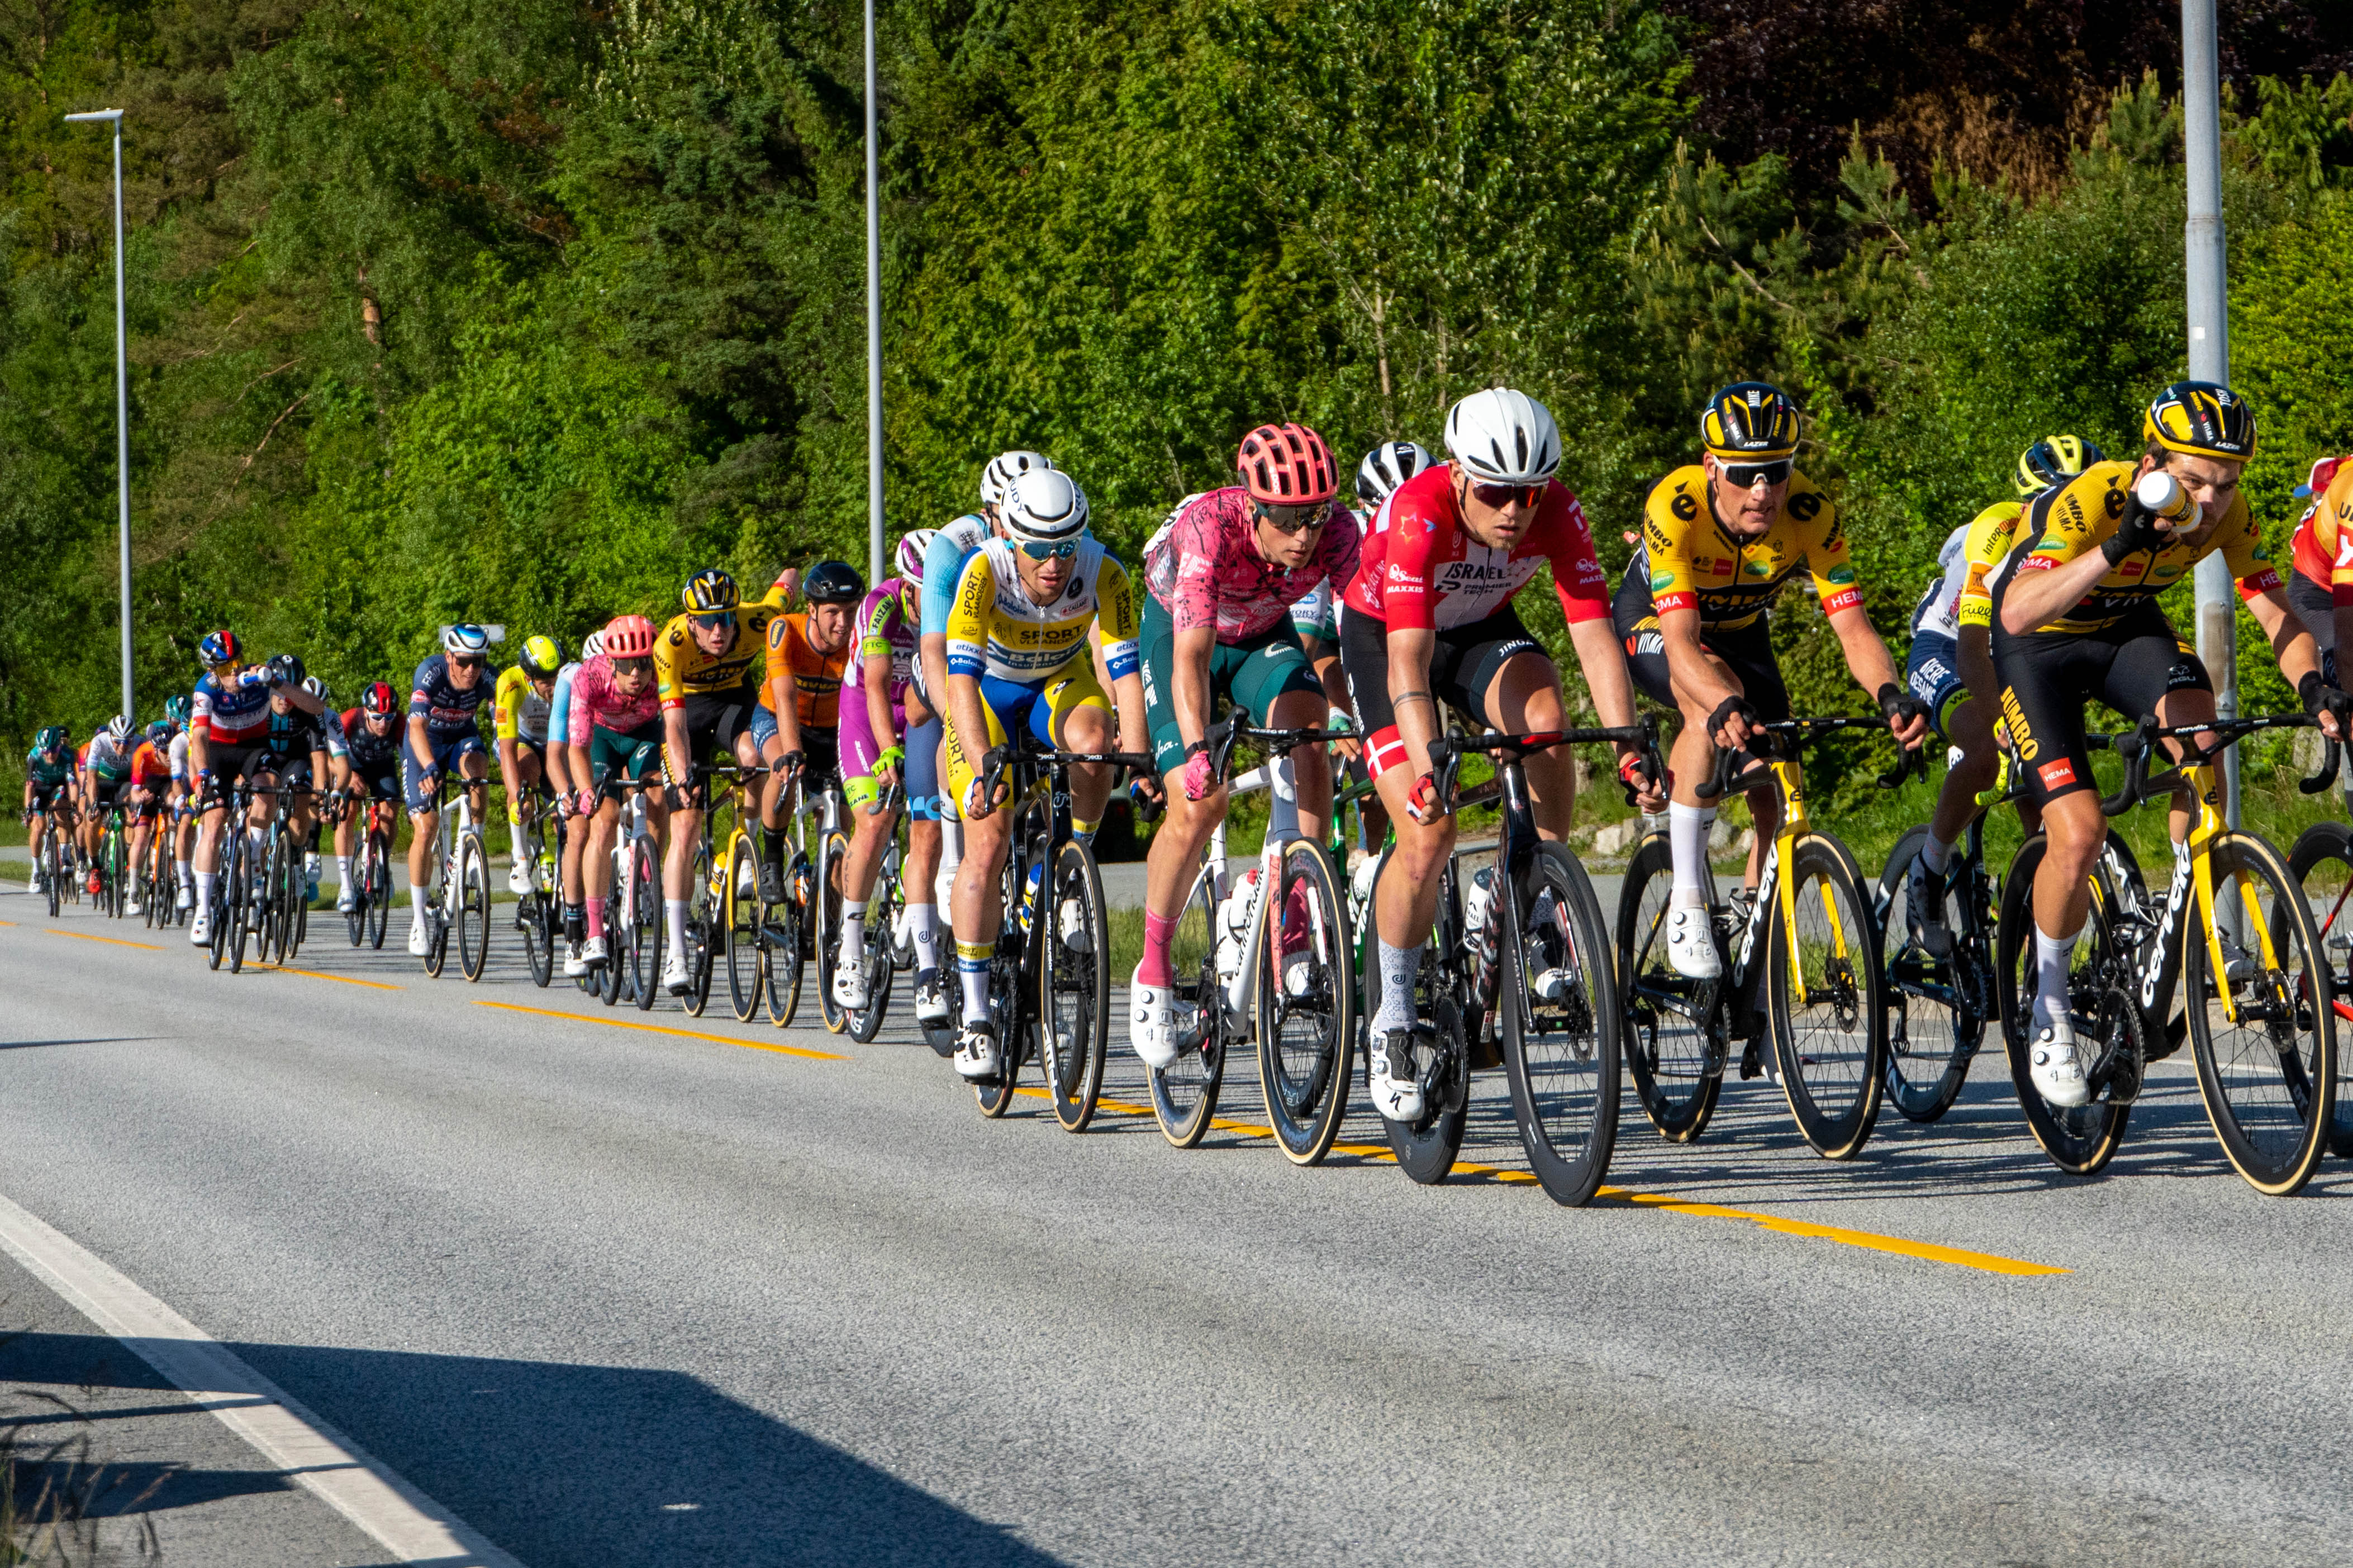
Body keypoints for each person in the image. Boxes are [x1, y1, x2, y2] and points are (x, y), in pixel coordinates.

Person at [1990, 381, 2346, 1105]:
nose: (2210, 502)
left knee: (2201, 734)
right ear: (2151, 463)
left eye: (2225, 484)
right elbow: (2017, 610)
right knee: (2078, 831)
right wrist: (2115, 544)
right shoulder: (2094, 495)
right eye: (2192, 482)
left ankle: (2190, 908)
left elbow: (2273, 613)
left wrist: (2312, 685)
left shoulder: (2229, 513)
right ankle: (2048, 1004)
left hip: (2125, 631)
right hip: (2039, 647)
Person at [1342, 388, 1666, 1119]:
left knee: (1545, 718)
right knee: (1427, 832)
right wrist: (1425, 769)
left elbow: (1593, 636)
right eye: (1495, 492)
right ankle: (1392, 1014)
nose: (1515, 510)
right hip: (1386, 638)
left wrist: (1625, 746)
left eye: (1529, 492)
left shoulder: (1558, 512)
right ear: (1458, 474)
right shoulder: (1418, 512)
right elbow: (1406, 663)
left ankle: (1528, 889)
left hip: (1479, 630)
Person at [1612, 381, 1927, 984]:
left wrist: (1889, 694)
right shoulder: (1676, 505)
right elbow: (1681, 644)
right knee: (1709, 699)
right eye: (1744, 474)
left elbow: (1853, 629)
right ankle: (1686, 900)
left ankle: (1754, 951)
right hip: (1657, 622)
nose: (1762, 490)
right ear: (1711, 467)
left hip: (1740, 628)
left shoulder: (1811, 512)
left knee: (1781, 781)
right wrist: (1719, 700)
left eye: (1776, 471)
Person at [1129, 423, 1367, 1065]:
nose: (1304, 535)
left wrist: (1363, 716)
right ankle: (1153, 967)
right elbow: (1190, 659)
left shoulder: (1339, 533)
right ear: (1255, 507)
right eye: (1286, 519)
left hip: (1260, 633)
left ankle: (1296, 910)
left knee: (1310, 734)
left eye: (1314, 515)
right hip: (1180, 635)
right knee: (1198, 805)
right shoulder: (1211, 529)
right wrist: (1195, 753)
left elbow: (1365, 636)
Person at [943, 467, 1153, 1079]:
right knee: (987, 838)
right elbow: (959, 681)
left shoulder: (1105, 572)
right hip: (988, 692)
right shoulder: (982, 570)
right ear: (1011, 538)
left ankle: (1067, 869)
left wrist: (1140, 762)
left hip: (1059, 681)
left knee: (1095, 743)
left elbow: (1125, 677)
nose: (1055, 564)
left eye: (1066, 547)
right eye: (1038, 549)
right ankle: (976, 1016)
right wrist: (982, 766)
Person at [1898, 436, 2100, 955]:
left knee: (2048, 798)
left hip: (2012, 654)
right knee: (1985, 750)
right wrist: (1997, 720)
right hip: (1948, 647)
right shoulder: (1991, 535)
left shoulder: (2084, 540)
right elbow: (1972, 650)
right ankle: (1928, 869)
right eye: (2054, 501)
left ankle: (2035, 948)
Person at [918, 451, 1057, 929]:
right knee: (955, 734)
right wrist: (956, 720)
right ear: (987, 512)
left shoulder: (1053, 541)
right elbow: (935, 649)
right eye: (1007, 516)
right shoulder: (953, 548)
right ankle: (952, 856)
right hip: (959, 657)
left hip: (1029, 661)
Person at [655, 569, 785, 993]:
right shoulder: (670, 645)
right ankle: (676, 951)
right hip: (687, 713)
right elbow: (675, 726)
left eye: (726, 619)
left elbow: (788, 583)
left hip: (734, 701)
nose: (719, 631)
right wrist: (682, 778)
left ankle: (743, 850)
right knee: (686, 825)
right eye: (709, 622)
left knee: (753, 757)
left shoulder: (756, 620)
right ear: (691, 621)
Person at [830, 538, 945, 1012]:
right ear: (907, 585)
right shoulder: (880, 607)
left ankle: (912, 911)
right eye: (923, 590)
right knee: (876, 820)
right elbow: (876, 687)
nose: (932, 599)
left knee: (933, 821)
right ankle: (850, 949)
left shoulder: (947, 603)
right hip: (866, 711)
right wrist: (885, 752)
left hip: (919, 711)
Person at [187, 632, 323, 946]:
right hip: (219, 752)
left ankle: (254, 859)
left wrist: (278, 682)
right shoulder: (205, 689)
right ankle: (203, 912)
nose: (234, 673)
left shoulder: (258, 678)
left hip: (254, 748)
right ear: (212, 671)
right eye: (225, 669)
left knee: (268, 789)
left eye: (237, 663)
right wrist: (203, 772)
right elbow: (200, 737)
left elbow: (315, 707)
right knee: (214, 823)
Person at [756, 561, 861, 905]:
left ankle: (825, 917)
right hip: (777, 717)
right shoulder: (786, 630)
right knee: (784, 771)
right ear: (812, 609)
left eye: (850, 612)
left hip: (831, 730)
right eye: (833, 612)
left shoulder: (860, 639)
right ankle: (772, 859)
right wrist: (793, 751)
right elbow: (785, 697)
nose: (843, 623)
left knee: (840, 823)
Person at [568, 615, 668, 969]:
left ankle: (646, 872)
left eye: (643, 664)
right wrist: (585, 791)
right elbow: (577, 747)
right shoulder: (589, 677)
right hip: (603, 739)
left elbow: (678, 727)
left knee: (658, 796)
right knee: (604, 820)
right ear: (612, 663)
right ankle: (595, 932)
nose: (637, 674)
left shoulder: (663, 672)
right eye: (627, 666)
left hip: (644, 734)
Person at [405, 625, 496, 956]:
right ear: (449, 657)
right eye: (464, 661)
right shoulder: (430, 673)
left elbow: (501, 722)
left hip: (461, 739)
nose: (472, 669)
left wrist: (503, 747)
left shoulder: (490, 678)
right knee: (425, 827)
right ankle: (419, 921)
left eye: (478, 662)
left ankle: (472, 849)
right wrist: (429, 765)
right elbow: (416, 727)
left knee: (479, 768)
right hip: (426, 744)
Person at [545, 632, 600, 975]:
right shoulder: (569, 681)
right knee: (578, 832)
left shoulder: (629, 681)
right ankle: (575, 933)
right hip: (573, 756)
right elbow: (555, 753)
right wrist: (565, 792)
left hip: (604, 753)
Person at [494, 635, 564, 897]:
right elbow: (507, 749)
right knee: (527, 770)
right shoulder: (511, 683)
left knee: (565, 808)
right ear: (528, 677)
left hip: (556, 741)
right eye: (546, 682)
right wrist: (517, 798)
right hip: (522, 739)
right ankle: (520, 858)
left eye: (556, 678)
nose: (553, 687)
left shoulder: (568, 680)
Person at [334, 681, 404, 912]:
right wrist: (347, 775)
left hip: (383, 768)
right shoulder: (349, 719)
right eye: (377, 718)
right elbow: (326, 756)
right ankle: (346, 887)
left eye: (389, 717)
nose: (384, 724)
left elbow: (408, 758)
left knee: (390, 814)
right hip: (352, 766)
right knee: (348, 813)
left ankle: (382, 864)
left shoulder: (400, 723)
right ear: (366, 712)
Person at [2283, 453, 2353, 686]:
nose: (2311, 500)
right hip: (2315, 593)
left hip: (2326, 581)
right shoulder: (2334, 514)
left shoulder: (2326, 511)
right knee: (2340, 659)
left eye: (2313, 494)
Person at [77, 716, 137, 894]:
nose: (123, 746)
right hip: (102, 781)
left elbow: (140, 777)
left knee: (132, 816)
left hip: (125, 782)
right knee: (93, 820)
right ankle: (95, 867)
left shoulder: (140, 743)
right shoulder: (99, 742)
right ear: (110, 737)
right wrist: (94, 803)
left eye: (127, 742)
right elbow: (91, 777)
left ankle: (128, 863)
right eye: (118, 742)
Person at [21, 726, 78, 894]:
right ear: (41, 749)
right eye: (46, 751)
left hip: (58, 786)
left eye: (54, 751)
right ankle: (37, 870)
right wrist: (28, 809)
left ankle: (66, 857)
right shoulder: (34, 756)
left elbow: (73, 784)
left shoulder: (67, 755)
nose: (50, 755)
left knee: (62, 811)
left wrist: (74, 806)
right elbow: (29, 786)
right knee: (38, 827)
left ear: (59, 747)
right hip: (39, 788)